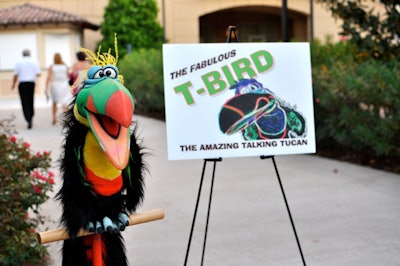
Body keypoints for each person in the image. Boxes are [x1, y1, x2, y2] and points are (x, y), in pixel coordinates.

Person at [12, 49, 41, 129]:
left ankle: (28, 118)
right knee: (31, 100)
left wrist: (13, 84)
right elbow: (39, 74)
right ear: (29, 54)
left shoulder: (19, 62)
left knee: (24, 102)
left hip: (22, 84)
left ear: (23, 54)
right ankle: (31, 117)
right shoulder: (34, 62)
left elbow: (15, 75)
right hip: (31, 84)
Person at [45, 53, 71, 125]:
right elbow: (68, 75)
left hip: (55, 85)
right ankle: (66, 118)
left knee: (54, 102)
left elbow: (49, 77)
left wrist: (46, 87)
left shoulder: (52, 66)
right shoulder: (65, 66)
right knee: (65, 102)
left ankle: (54, 118)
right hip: (64, 84)